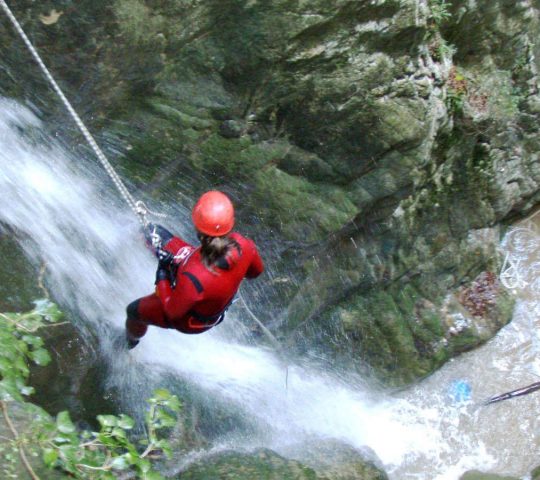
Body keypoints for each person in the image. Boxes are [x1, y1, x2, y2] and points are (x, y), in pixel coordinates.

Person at [123, 190, 264, 349]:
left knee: (133, 311)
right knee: (153, 231)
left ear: (198, 226)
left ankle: (129, 342)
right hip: (198, 280)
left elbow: (172, 311)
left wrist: (163, 274)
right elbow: (255, 272)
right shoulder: (244, 245)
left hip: (190, 320)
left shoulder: (194, 277)